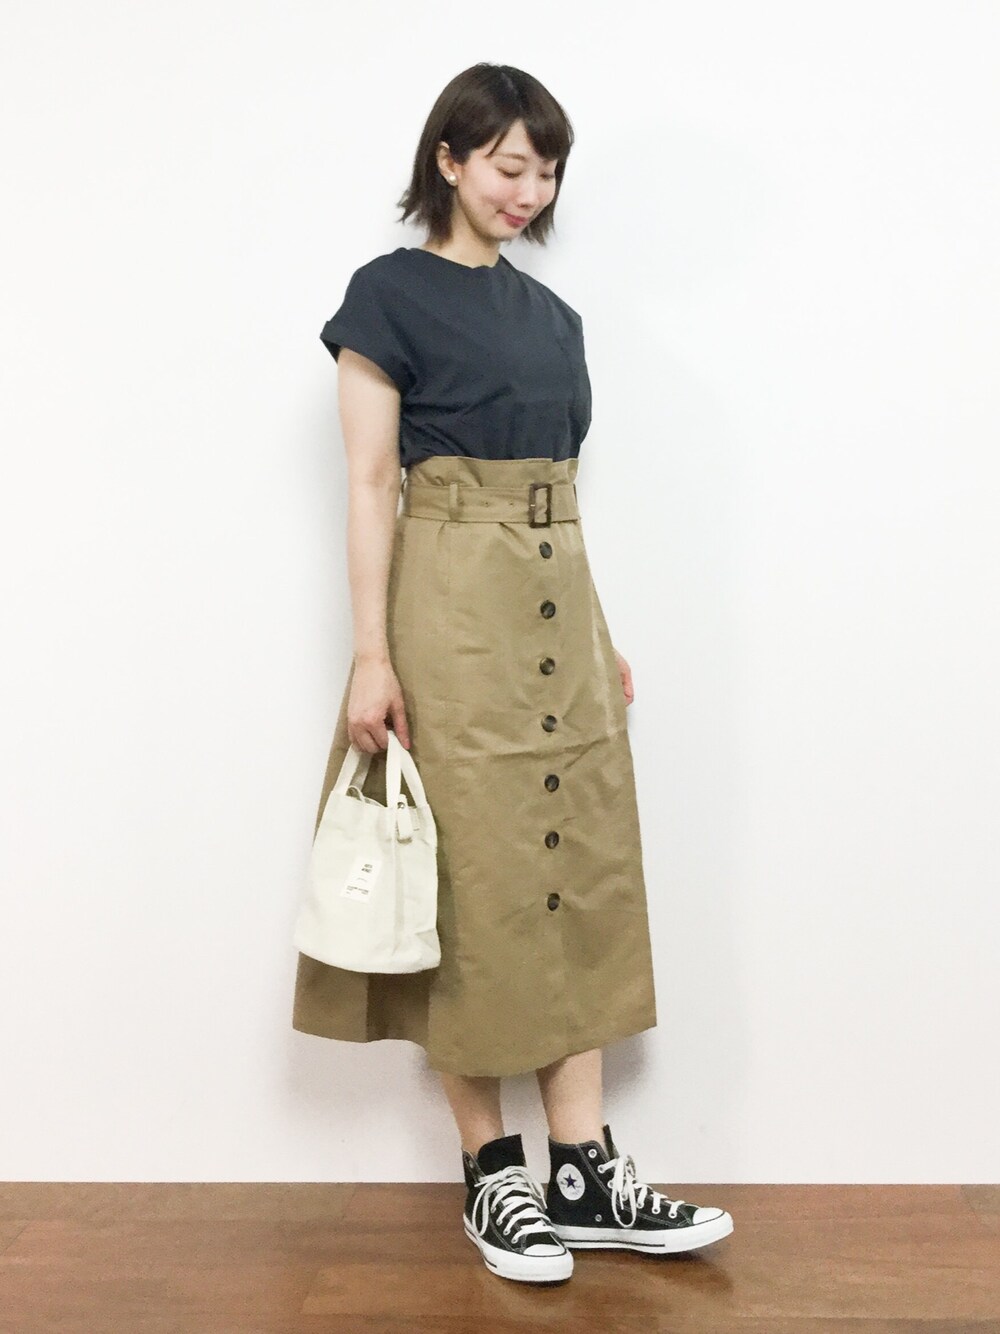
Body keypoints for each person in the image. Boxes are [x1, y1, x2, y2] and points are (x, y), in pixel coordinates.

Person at [293, 62, 734, 1284]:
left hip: (560, 612)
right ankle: (494, 1171)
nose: (526, 190)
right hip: (451, 615)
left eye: (544, 171)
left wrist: (599, 629)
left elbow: (561, 495)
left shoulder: (554, 319)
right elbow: (371, 482)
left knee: (575, 872)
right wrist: (371, 654)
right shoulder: (385, 297)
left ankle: (583, 1171)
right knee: (477, 882)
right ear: (447, 159)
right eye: (506, 165)